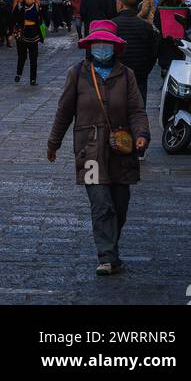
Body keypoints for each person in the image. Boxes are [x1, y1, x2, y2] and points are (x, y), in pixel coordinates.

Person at [47, 19, 150, 276]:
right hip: (89, 150)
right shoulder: (77, 73)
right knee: (101, 203)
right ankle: (106, 256)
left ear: (115, 48)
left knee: (120, 204)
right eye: (97, 44)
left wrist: (142, 135)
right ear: (90, 46)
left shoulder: (127, 75)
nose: (102, 48)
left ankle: (111, 248)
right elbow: (64, 112)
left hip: (121, 150)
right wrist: (54, 142)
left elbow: (137, 110)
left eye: (107, 44)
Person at [113, 0, 158, 103]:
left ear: (120, 5)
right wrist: (145, 70)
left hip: (117, 73)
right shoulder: (146, 26)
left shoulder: (112, 24)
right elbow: (153, 53)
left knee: (117, 105)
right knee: (139, 106)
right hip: (140, 72)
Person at [153, 0, 191, 77]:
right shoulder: (183, 7)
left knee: (166, 69)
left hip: (164, 44)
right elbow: (188, 25)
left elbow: (156, 24)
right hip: (179, 44)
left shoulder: (160, 8)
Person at [11, 0, 46, 85]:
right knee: (22, 56)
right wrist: (11, 32)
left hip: (33, 34)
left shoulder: (37, 7)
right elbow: (13, 20)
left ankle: (33, 79)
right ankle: (18, 73)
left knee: (33, 58)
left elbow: (41, 19)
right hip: (21, 34)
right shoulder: (19, 7)